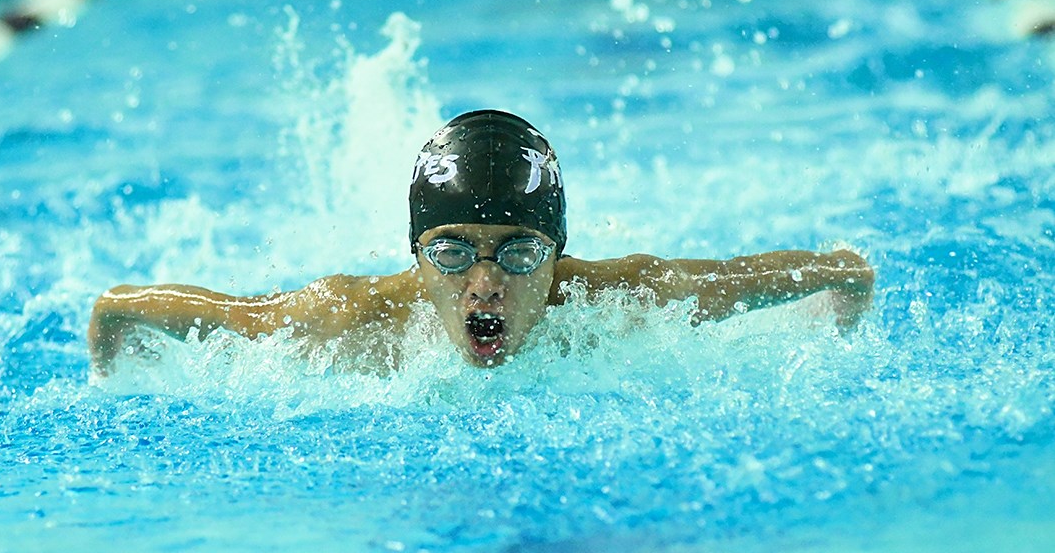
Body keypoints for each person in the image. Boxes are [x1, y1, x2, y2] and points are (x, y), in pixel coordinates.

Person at [89, 109, 874, 373]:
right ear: (417, 254)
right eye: (454, 251)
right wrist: (109, 350)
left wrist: (840, 300)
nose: (485, 284)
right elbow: (123, 308)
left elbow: (836, 273)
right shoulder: (345, 315)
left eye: (521, 251)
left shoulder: (625, 295)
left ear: (558, 256)